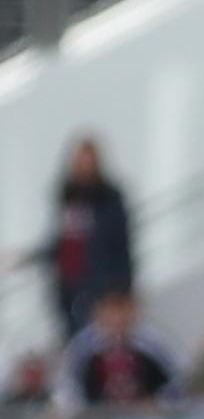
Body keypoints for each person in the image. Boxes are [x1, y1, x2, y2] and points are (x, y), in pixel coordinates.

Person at [36, 137, 135, 338]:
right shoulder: (68, 199)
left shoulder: (110, 201)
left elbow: (120, 248)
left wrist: (119, 291)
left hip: (101, 293)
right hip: (70, 291)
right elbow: (59, 244)